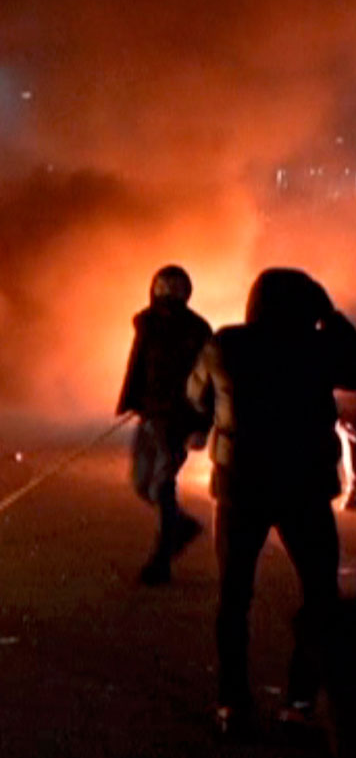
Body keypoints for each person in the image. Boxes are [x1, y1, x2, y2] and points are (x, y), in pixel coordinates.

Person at [187, 268, 356, 735]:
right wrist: (332, 317)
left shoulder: (225, 343)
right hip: (304, 485)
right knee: (320, 595)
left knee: (235, 595)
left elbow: (195, 394)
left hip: (241, 485)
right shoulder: (317, 347)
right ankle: (300, 699)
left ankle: (232, 702)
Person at [117, 264, 213, 585]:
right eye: (164, 285)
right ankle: (182, 528)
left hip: (177, 421)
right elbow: (139, 366)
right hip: (149, 416)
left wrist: (201, 425)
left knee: (162, 485)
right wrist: (134, 401)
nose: (169, 292)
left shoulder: (198, 330)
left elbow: (209, 382)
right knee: (142, 483)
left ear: (186, 291)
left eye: (176, 286)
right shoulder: (146, 324)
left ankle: (161, 561)